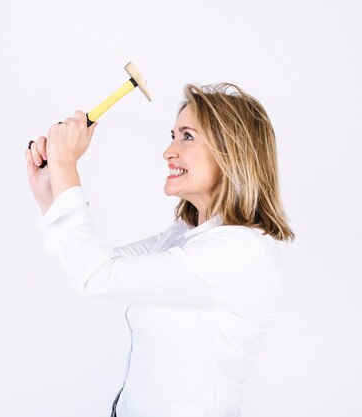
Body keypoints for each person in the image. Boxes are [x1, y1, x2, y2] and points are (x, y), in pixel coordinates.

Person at [24, 82, 294, 417]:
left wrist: (66, 165)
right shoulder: (184, 236)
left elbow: (96, 276)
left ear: (232, 152)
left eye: (187, 136)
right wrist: (49, 194)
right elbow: (93, 262)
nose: (168, 151)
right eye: (173, 135)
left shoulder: (241, 253)